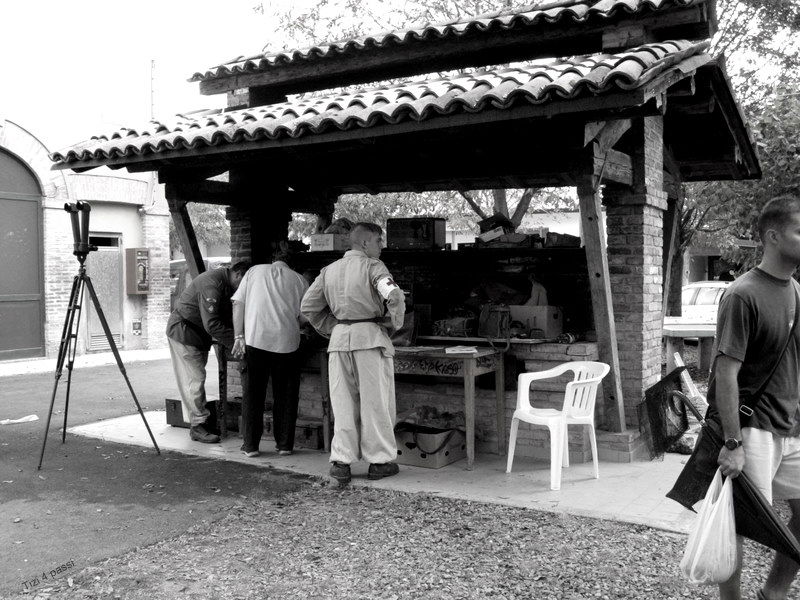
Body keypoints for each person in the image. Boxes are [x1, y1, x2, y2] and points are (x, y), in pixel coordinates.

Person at [709, 194, 800, 600]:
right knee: (739, 523)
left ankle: (773, 595)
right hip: (753, 427)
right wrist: (732, 443)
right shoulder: (741, 295)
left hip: (793, 427)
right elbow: (725, 374)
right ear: (773, 236)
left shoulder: (797, 291)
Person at [301, 222, 405, 484]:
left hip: (339, 341)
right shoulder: (373, 266)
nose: (381, 246)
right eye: (379, 241)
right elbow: (393, 295)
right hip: (369, 338)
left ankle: (341, 462)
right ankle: (379, 462)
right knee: (375, 401)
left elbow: (308, 306)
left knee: (343, 402)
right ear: (365, 243)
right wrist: (393, 324)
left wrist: (333, 327)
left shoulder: (329, 271)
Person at [231, 245, 309, 458]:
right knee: (286, 396)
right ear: (293, 262)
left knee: (253, 394)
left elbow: (238, 304)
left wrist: (239, 336)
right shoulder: (300, 280)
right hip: (288, 344)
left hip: (256, 340)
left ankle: (250, 446)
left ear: (273, 258)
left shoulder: (254, 271)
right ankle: (284, 445)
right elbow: (305, 317)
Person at [166, 261, 249, 444]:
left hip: (197, 334)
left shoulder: (227, 283)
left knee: (197, 377)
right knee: (196, 379)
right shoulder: (212, 284)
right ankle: (197, 426)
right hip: (185, 332)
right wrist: (237, 344)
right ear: (238, 275)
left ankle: (201, 421)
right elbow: (212, 323)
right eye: (245, 283)